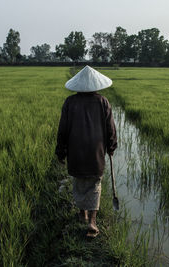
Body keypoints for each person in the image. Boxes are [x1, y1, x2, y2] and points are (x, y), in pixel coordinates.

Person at [55, 65, 117, 238]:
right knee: (95, 185)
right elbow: (111, 128)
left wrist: (61, 151)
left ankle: (82, 213)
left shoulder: (70, 102)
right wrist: (112, 146)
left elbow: (63, 130)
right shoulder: (103, 101)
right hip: (95, 153)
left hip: (76, 152)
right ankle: (92, 221)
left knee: (79, 182)